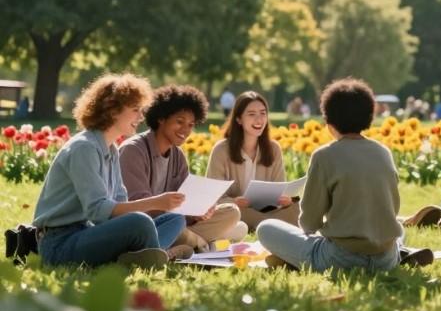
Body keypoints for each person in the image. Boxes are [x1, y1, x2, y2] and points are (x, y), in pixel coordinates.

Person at [32, 73, 189, 267]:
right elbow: (98, 211)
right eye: (135, 110)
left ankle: (146, 255)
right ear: (113, 111)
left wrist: (158, 207)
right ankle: (158, 256)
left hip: (89, 232)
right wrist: (155, 202)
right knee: (140, 222)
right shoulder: (84, 147)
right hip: (60, 244)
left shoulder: (111, 149)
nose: (141, 117)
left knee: (174, 219)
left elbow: (119, 202)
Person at [257, 78, 408, 271]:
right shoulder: (383, 152)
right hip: (386, 258)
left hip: (341, 259)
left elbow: (309, 223)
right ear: (369, 117)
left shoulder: (324, 155)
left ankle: (293, 260)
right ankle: (403, 252)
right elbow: (391, 210)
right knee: (399, 229)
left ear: (329, 122)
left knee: (266, 228)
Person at [120, 85, 246, 252]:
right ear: (161, 118)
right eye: (180, 121)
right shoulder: (133, 150)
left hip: (177, 222)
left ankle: (190, 243)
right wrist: (176, 211)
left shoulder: (178, 155)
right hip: (148, 225)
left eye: (191, 125)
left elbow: (186, 201)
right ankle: (203, 244)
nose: (185, 130)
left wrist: (198, 212)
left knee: (231, 212)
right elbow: (137, 207)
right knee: (176, 226)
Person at [207, 91, 301, 232]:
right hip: (235, 211)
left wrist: (285, 200)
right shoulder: (221, 150)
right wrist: (235, 202)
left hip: (267, 211)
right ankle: (270, 226)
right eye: (252, 114)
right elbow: (212, 197)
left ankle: (263, 225)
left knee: (297, 207)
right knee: (233, 212)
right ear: (239, 119)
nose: (259, 120)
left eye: (263, 114)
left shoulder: (273, 148)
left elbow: (278, 189)